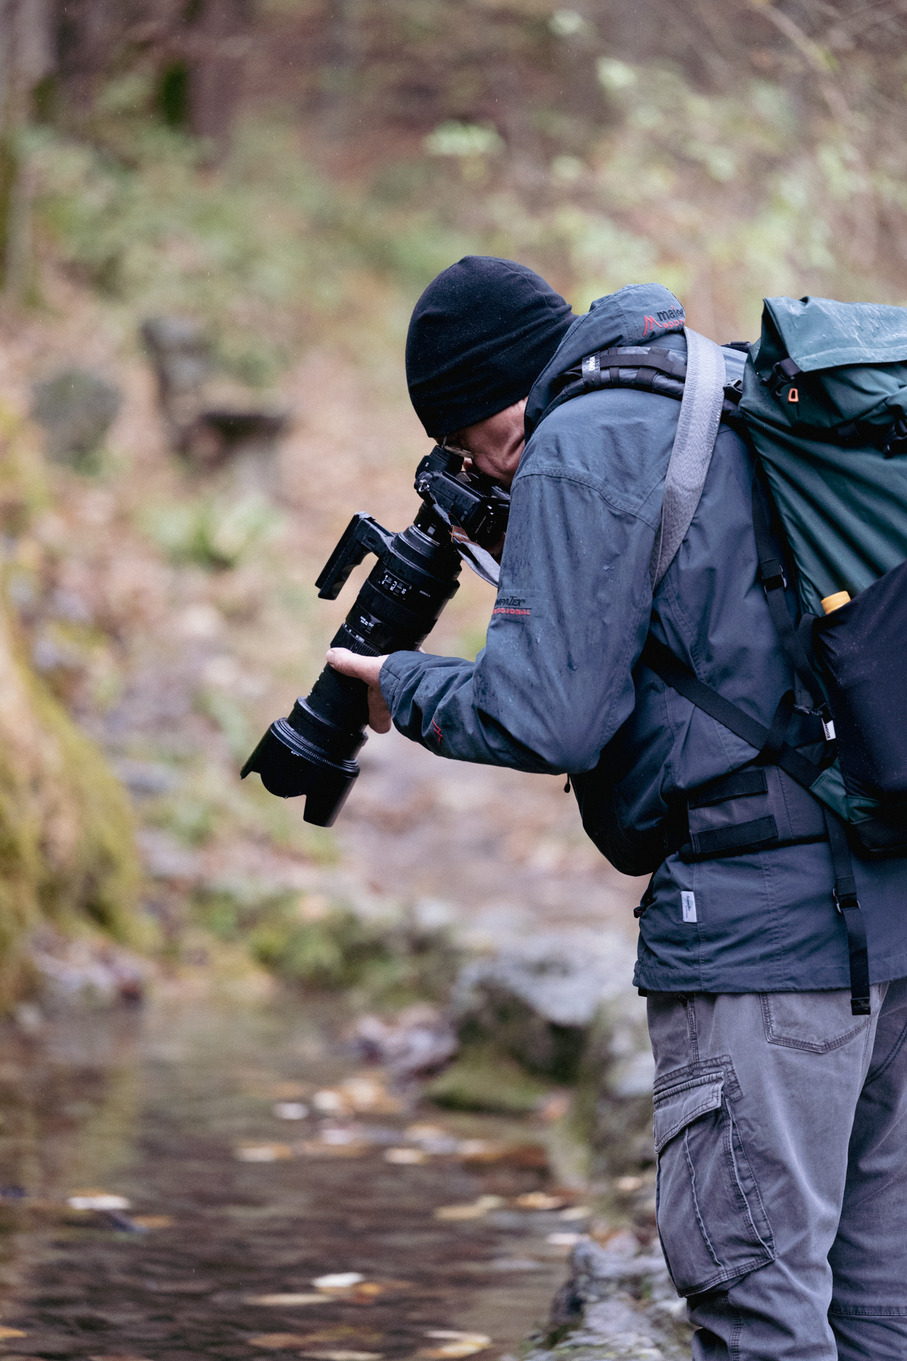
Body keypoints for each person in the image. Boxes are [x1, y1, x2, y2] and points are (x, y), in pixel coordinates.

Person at [327, 255, 907, 1360]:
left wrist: (400, 682)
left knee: (761, 1306)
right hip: (886, 915)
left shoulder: (579, 441)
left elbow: (548, 716)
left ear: (495, 404)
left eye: (471, 444)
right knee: (878, 1304)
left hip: (759, 944)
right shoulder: (717, 386)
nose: (480, 469)